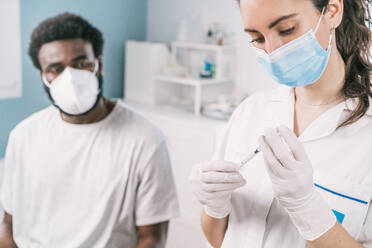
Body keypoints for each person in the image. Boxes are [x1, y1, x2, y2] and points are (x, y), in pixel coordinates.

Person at [190, 0, 372, 247]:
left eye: (286, 29)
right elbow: (218, 239)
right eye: (257, 38)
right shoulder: (251, 110)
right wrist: (214, 206)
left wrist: (308, 209)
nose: (272, 51)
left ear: (332, 11)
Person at [0, 13, 179, 248]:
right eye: (56, 69)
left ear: (99, 65)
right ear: (44, 77)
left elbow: (152, 239)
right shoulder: (23, 136)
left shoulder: (146, 141)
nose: (71, 79)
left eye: (81, 64)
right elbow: (8, 225)